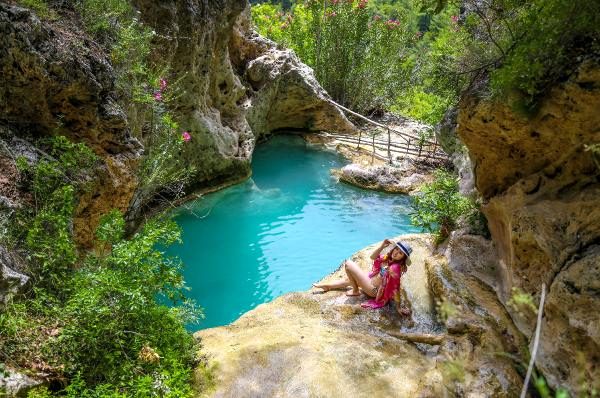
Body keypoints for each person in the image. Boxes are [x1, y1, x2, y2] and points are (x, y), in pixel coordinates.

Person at [313, 239, 412, 315]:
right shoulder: (388, 259)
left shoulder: (395, 268)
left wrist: (398, 307)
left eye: (400, 253)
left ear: (403, 258)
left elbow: (395, 288)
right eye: (396, 249)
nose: (396, 253)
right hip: (370, 280)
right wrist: (382, 246)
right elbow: (373, 257)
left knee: (348, 264)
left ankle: (355, 290)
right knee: (349, 279)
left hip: (374, 290)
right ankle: (328, 286)